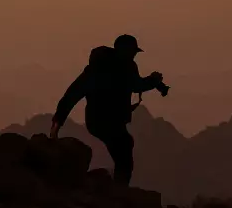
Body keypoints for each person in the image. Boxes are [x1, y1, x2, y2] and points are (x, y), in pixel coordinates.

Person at [48, 34, 167, 185]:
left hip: (100, 121)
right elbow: (137, 85)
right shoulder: (111, 69)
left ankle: (118, 186)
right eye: (132, 52)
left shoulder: (112, 67)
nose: (134, 56)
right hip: (106, 122)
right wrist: (153, 80)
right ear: (123, 51)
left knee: (124, 146)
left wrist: (57, 122)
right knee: (124, 148)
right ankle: (119, 188)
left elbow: (72, 94)